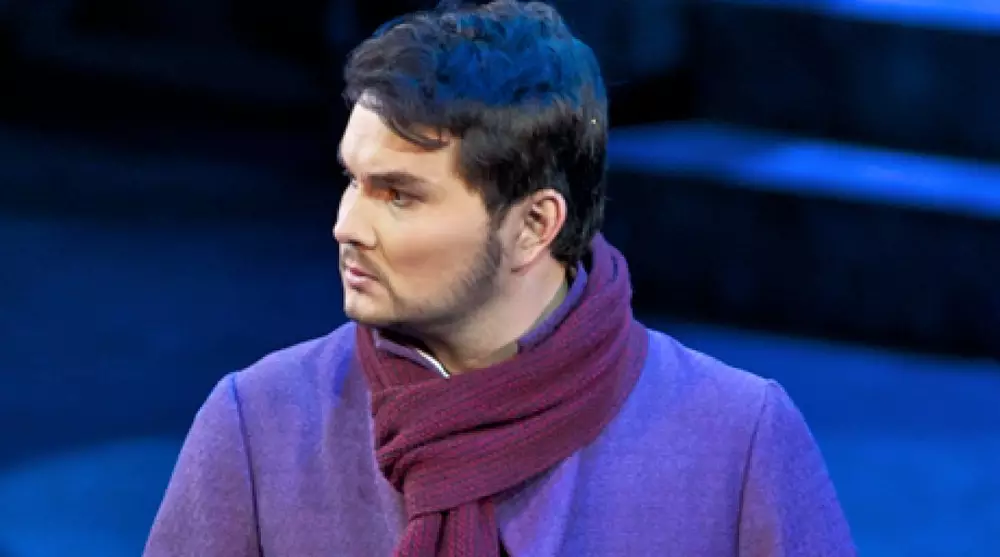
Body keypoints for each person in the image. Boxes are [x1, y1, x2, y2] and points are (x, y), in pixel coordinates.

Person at [143, 1, 856, 555]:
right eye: (352, 180)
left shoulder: (736, 440)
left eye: (398, 195)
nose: (346, 224)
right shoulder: (260, 426)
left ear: (534, 224)